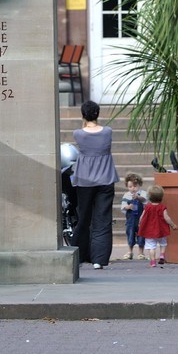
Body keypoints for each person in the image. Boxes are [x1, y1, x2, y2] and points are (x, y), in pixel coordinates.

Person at [71, 100, 118, 270]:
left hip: (84, 181)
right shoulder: (107, 132)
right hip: (106, 178)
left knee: (84, 218)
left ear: (83, 114)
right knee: (103, 219)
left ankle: (80, 255)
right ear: (98, 114)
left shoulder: (78, 134)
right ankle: (99, 259)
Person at [137, 184, 177, 267]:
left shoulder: (147, 207)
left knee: (151, 247)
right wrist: (172, 225)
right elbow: (167, 218)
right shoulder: (162, 207)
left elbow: (142, 217)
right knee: (163, 243)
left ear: (149, 197)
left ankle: (152, 262)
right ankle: (162, 255)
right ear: (161, 197)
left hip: (149, 231)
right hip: (161, 230)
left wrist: (140, 223)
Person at [120, 172, 146, 261]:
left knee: (141, 235)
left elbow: (145, 201)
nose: (133, 189)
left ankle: (141, 253)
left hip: (141, 219)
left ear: (139, 185)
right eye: (130, 187)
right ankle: (130, 251)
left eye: (135, 186)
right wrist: (128, 207)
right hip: (131, 219)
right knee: (130, 234)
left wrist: (138, 197)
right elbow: (123, 206)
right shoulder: (126, 195)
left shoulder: (142, 193)